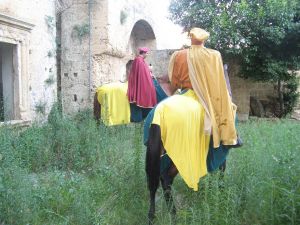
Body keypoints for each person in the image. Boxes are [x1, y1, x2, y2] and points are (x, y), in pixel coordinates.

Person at [168, 27, 238, 148]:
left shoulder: (178, 55)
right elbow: (218, 82)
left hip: (184, 93)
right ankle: (226, 141)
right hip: (205, 97)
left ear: (191, 38)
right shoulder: (214, 55)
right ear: (204, 40)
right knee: (231, 108)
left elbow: (174, 82)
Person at [127, 47, 157, 122]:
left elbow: (145, 72)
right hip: (138, 83)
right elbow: (142, 75)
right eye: (146, 53)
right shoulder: (139, 61)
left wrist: (150, 75)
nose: (147, 54)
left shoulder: (141, 61)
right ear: (143, 53)